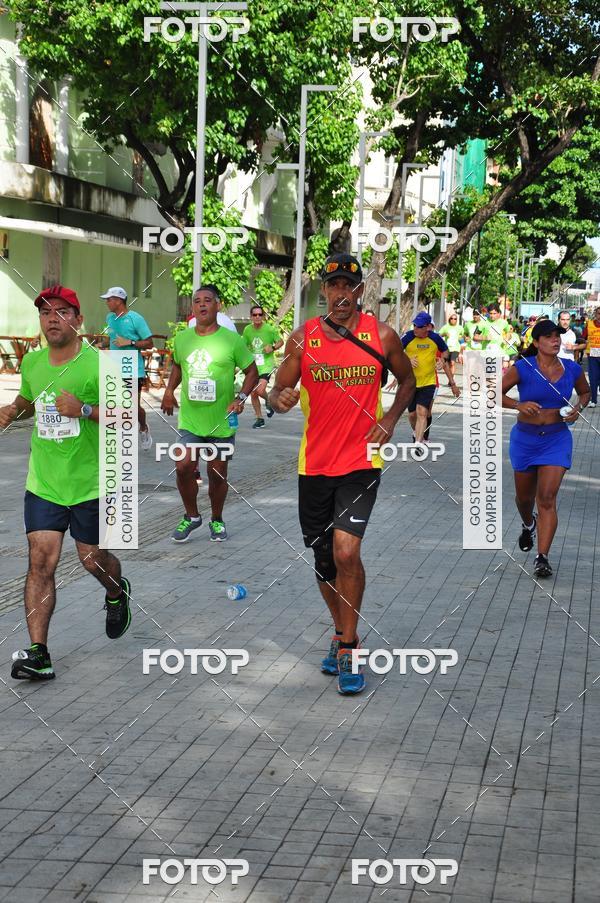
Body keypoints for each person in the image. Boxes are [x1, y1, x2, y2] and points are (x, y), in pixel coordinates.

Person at [269, 253, 416, 695]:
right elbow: (279, 388)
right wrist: (279, 398)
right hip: (314, 464)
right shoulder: (304, 339)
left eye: (349, 286)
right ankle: (340, 631)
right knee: (324, 559)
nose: (341, 293)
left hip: (361, 461)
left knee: (346, 551)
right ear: (324, 291)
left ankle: (350, 647)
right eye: (333, 285)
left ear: (360, 291)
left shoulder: (381, 335)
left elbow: (408, 381)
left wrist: (390, 420)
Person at [0, 285, 132, 681]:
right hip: (45, 482)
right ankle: (39, 653)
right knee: (40, 561)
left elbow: (127, 417)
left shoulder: (101, 364)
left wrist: (85, 409)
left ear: (78, 319)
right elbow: (28, 401)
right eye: (45, 312)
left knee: (92, 558)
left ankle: (116, 590)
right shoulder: (33, 362)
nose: (52, 318)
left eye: (61, 311)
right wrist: (12, 411)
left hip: (92, 483)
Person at [161, 285, 258, 542]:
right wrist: (169, 390)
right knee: (183, 465)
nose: (202, 304)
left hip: (221, 422)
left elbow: (252, 371)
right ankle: (192, 516)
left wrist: (240, 398)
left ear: (218, 305)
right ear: (192, 307)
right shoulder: (182, 339)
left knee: (216, 474)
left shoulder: (232, 340)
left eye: (207, 300)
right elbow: (178, 366)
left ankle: (216, 519)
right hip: (191, 420)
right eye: (197, 301)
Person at [502, 319, 590, 578]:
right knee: (524, 499)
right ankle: (528, 523)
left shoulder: (572, 368)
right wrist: (517, 405)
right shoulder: (523, 367)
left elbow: (585, 393)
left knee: (547, 498)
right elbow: (494, 393)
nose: (555, 340)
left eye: (557, 336)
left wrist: (578, 408)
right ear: (537, 342)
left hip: (556, 439)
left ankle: (542, 557)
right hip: (525, 439)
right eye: (549, 336)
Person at [100, 286, 154, 450]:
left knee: (133, 406)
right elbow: (111, 338)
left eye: (109, 299)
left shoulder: (135, 318)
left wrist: (130, 342)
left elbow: (149, 343)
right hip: (113, 367)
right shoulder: (109, 318)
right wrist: (101, 344)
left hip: (132, 367)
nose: (107, 302)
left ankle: (143, 427)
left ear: (119, 301)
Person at [402, 311, 460, 446]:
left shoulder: (435, 338)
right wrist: (407, 360)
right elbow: (395, 352)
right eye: (414, 325)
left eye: (419, 326)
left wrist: (442, 360)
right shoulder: (408, 337)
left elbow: (445, 351)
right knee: (412, 415)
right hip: (410, 383)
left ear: (428, 327)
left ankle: (418, 443)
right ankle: (416, 432)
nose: (415, 329)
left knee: (422, 412)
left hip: (429, 382)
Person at [242, 304, 283, 428]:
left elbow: (280, 341)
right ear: (251, 316)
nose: (257, 317)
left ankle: (269, 400)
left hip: (266, 365)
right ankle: (259, 419)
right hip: (253, 366)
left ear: (263, 316)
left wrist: (273, 347)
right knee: (253, 393)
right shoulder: (247, 330)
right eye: (254, 315)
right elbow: (243, 345)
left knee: (259, 390)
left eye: (260, 314)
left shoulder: (269, 329)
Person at [581, 306, 600, 407]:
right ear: (595, 314)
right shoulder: (589, 324)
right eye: (599, 313)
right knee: (593, 378)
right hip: (593, 354)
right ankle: (593, 400)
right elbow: (583, 337)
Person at [438, 312, 464, 378]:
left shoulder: (460, 328)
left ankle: (451, 379)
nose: (453, 320)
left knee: (452, 363)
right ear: (449, 319)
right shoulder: (446, 327)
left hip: (456, 348)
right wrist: (444, 334)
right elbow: (439, 335)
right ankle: (450, 378)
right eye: (452, 318)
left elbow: (464, 336)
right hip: (447, 349)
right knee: (448, 364)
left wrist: (462, 338)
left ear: (457, 320)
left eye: (455, 319)